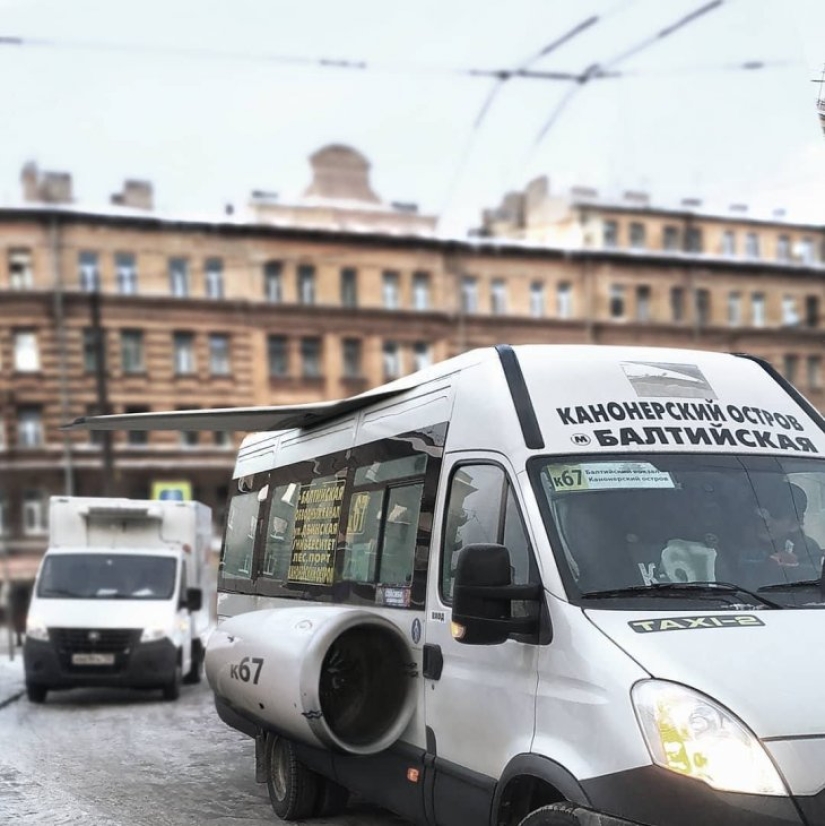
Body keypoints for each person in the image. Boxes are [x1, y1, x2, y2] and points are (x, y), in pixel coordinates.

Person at [737, 480, 823, 588]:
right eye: (763, 514)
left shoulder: (808, 547)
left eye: (777, 516)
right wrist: (765, 567)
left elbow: (812, 589)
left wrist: (794, 569)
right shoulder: (737, 546)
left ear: (795, 523)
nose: (767, 522)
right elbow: (729, 591)